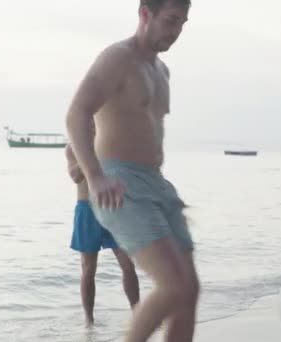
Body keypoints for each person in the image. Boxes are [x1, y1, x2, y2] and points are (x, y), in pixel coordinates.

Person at [65, 0, 199, 341]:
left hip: (156, 185)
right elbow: (77, 113)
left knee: (189, 291)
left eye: (182, 23)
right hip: (121, 183)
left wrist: (166, 197)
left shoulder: (161, 71)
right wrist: (95, 177)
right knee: (173, 286)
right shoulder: (118, 58)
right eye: (170, 21)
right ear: (145, 14)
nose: (177, 31)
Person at [66, 143, 140, 325]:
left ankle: (138, 313)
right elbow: (75, 176)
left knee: (128, 265)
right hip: (87, 209)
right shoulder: (74, 147)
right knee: (88, 269)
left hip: (114, 207)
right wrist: (92, 153)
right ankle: (89, 322)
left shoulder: (113, 139)